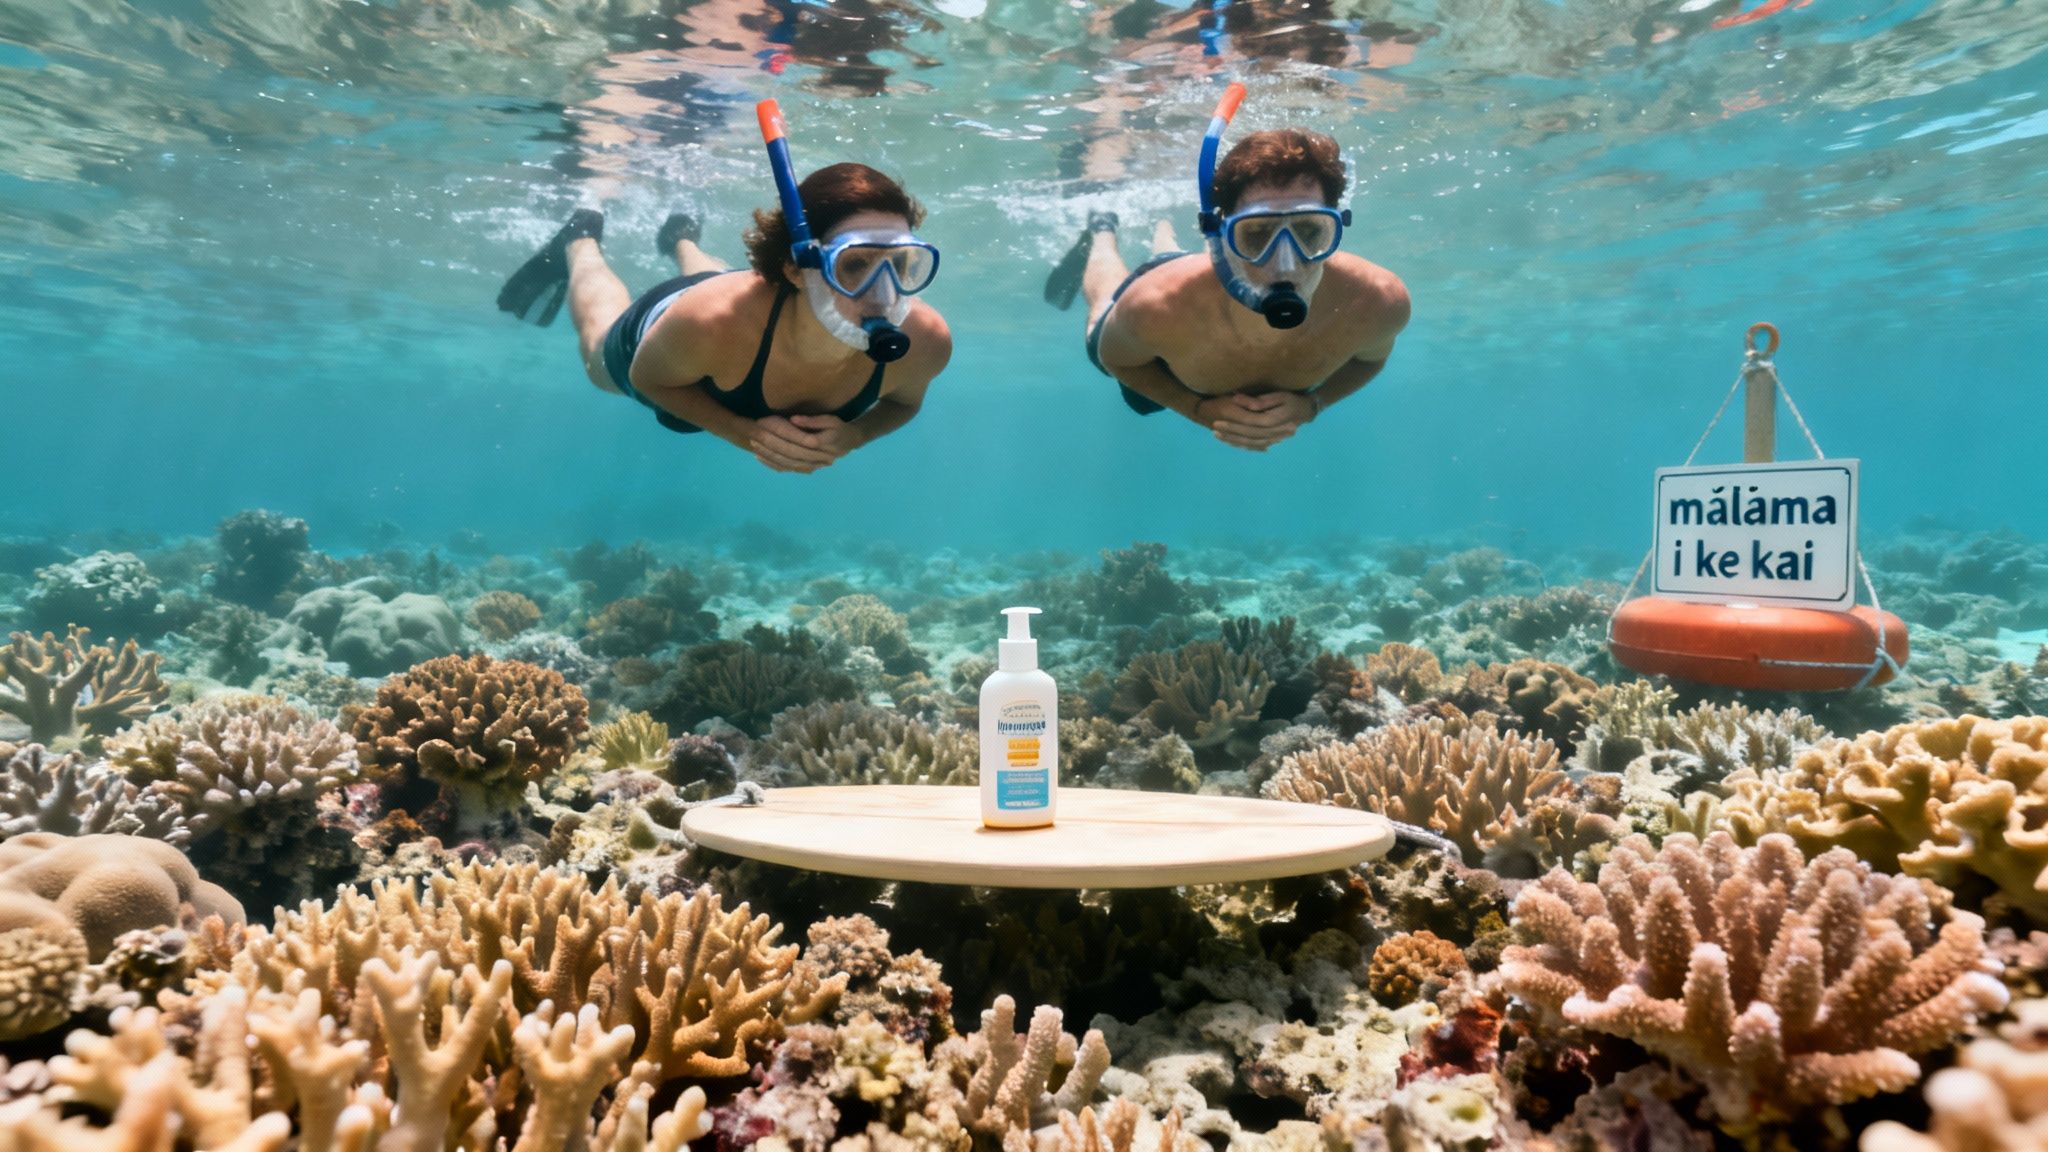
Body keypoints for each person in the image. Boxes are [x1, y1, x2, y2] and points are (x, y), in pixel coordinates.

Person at [495, 150, 951, 474]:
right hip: (680, 317)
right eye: (854, 265)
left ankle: (682, 237)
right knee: (599, 354)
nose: (884, 294)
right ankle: (581, 235)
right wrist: (742, 432)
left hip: (747, 302)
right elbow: (647, 378)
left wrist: (856, 436)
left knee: (716, 282)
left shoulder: (927, 341)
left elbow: (903, 403)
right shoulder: (707, 323)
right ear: (795, 268)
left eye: (901, 264)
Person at [1044, 84, 1408, 452]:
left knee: (1172, 260)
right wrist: (1194, 408)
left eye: (1310, 231)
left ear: (1336, 229)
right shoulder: (1154, 305)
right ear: (1220, 237)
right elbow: (1115, 357)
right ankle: (1102, 228)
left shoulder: (1378, 302)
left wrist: (1314, 404)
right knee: (1102, 320)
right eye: (1257, 234)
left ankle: (1169, 229)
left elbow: (1370, 359)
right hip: (1170, 341)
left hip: (1194, 301)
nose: (1285, 262)